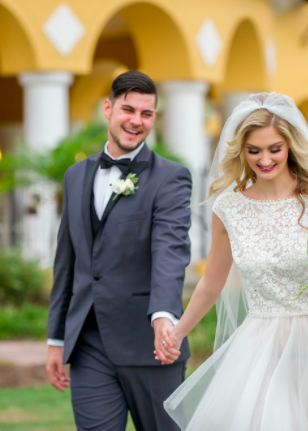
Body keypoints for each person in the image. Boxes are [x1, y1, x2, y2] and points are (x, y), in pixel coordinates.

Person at [159, 93, 308, 430]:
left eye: (274, 148)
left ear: (289, 146)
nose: (264, 159)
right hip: (260, 351)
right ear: (241, 151)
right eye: (254, 150)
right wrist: (177, 332)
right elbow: (210, 284)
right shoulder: (228, 209)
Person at [45, 71, 192, 431]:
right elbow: (67, 261)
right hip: (88, 346)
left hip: (150, 343)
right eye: (128, 109)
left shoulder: (171, 178)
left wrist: (162, 317)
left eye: (146, 114)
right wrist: (56, 339)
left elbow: (169, 252)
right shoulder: (75, 175)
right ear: (108, 109)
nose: (136, 121)